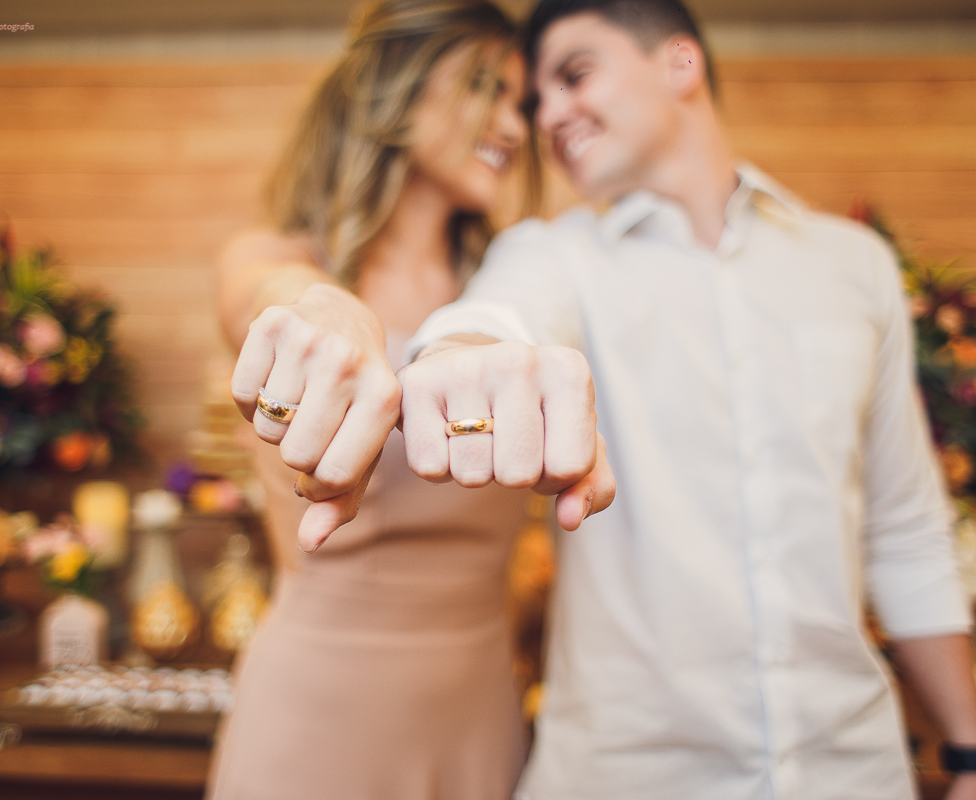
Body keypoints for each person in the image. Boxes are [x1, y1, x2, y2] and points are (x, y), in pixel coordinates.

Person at [233, 1, 976, 799]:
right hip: (606, 770)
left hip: (851, 769)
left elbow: (908, 530)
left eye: (572, 76)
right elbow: (492, 318)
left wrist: (974, 755)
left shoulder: (856, 268)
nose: (542, 118)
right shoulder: (550, 256)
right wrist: (455, 350)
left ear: (680, 64)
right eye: (527, 98)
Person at [207, 2, 613, 798]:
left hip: (477, 715)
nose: (511, 123)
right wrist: (323, 310)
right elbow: (265, 293)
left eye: (520, 104)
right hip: (310, 717)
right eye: (483, 86)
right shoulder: (275, 261)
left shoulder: (516, 297)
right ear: (396, 90)